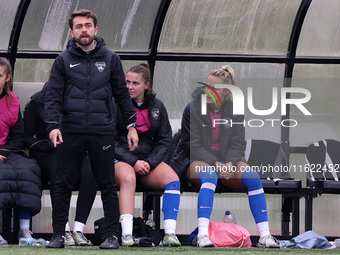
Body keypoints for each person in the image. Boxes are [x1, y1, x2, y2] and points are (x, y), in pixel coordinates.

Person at [44, 9, 138, 249]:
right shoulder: (63, 61)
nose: (83, 29)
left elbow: (122, 95)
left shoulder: (110, 58)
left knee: (106, 183)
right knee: (63, 183)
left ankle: (112, 236)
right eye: (78, 26)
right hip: (71, 131)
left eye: (88, 25)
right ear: (72, 31)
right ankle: (58, 235)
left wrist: (131, 126)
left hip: (102, 131)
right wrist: (53, 126)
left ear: (96, 29)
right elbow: (53, 97)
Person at [170, 65, 279, 248]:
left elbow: (238, 144)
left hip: (226, 161)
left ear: (227, 92)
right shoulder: (192, 108)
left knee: (252, 177)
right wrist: (216, 164)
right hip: (194, 159)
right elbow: (192, 145)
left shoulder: (235, 109)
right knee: (210, 174)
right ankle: (203, 235)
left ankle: (265, 236)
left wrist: (230, 163)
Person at [114, 63, 181, 247]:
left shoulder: (157, 106)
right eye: (127, 82)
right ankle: (127, 235)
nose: (129, 87)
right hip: (122, 160)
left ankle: (170, 234)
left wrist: (149, 163)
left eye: (135, 83)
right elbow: (110, 140)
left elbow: (165, 140)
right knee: (128, 179)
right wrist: (134, 161)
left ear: (146, 85)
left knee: (173, 180)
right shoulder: (116, 103)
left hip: (148, 163)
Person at [23, 82, 97, 246]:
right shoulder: (37, 102)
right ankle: (62, 230)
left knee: (92, 172)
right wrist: (50, 144)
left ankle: (78, 230)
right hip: (47, 153)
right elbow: (26, 138)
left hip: (76, 152)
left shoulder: (81, 100)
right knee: (60, 170)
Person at [0, 57, 42, 245]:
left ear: (8, 78)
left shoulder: (12, 100)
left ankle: (24, 229)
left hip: (7, 151)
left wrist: (5, 152)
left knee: (28, 169)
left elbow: (19, 136)